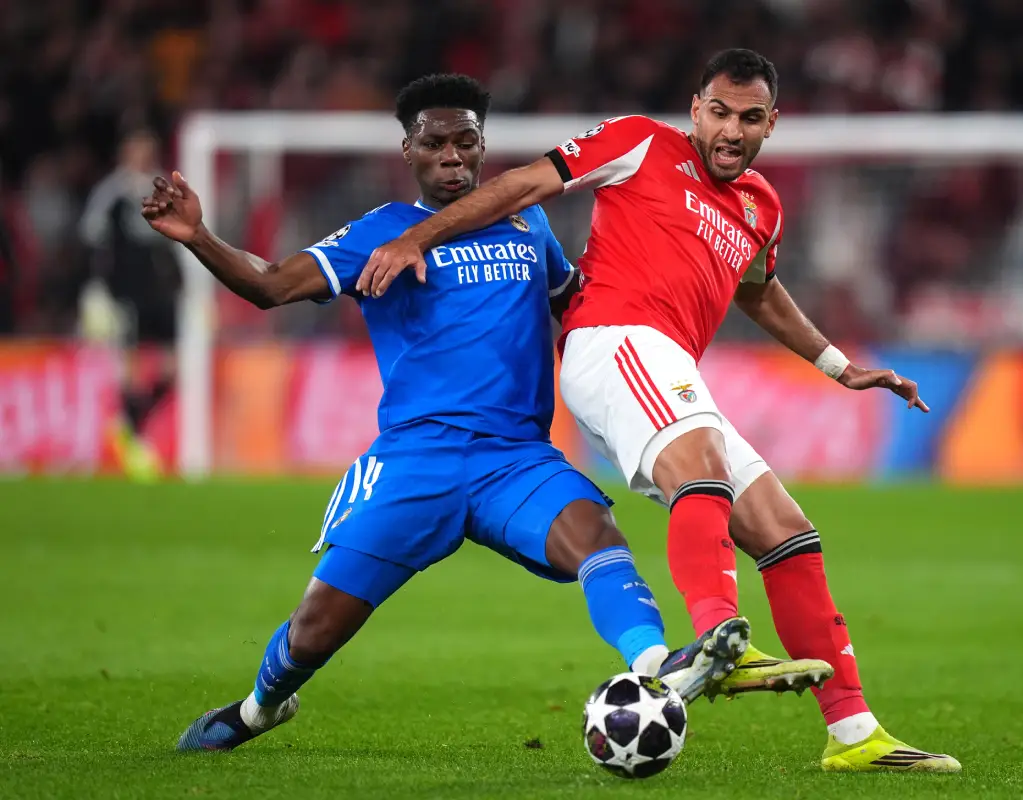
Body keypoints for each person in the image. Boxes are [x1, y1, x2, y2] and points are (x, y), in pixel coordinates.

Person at [357, 52, 961, 772]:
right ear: (696, 106)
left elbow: (758, 290)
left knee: (786, 531)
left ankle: (856, 735)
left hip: (669, 361)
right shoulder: (640, 140)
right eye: (719, 112)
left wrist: (838, 364)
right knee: (700, 465)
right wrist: (414, 237)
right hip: (613, 340)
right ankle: (716, 642)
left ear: (772, 123)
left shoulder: (761, 205)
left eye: (749, 118)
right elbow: (522, 186)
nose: (731, 130)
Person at [144, 74, 752, 752]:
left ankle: (655, 670)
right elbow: (270, 285)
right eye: (436, 144)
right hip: (416, 460)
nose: (453, 157)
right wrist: (198, 235)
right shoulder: (382, 232)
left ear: (483, 146)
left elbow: (576, 305)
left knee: (599, 537)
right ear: (409, 150)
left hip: (515, 458)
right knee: (315, 630)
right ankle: (260, 709)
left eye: (467, 142)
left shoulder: (528, 222)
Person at [80, 128, 181, 480]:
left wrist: (183, 287)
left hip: (162, 296)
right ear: (124, 154)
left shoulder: (166, 191)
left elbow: (177, 247)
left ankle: (129, 424)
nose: (142, 156)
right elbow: (94, 243)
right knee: (132, 368)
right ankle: (132, 434)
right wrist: (97, 290)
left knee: (173, 370)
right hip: (126, 296)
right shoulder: (111, 194)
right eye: (135, 150)